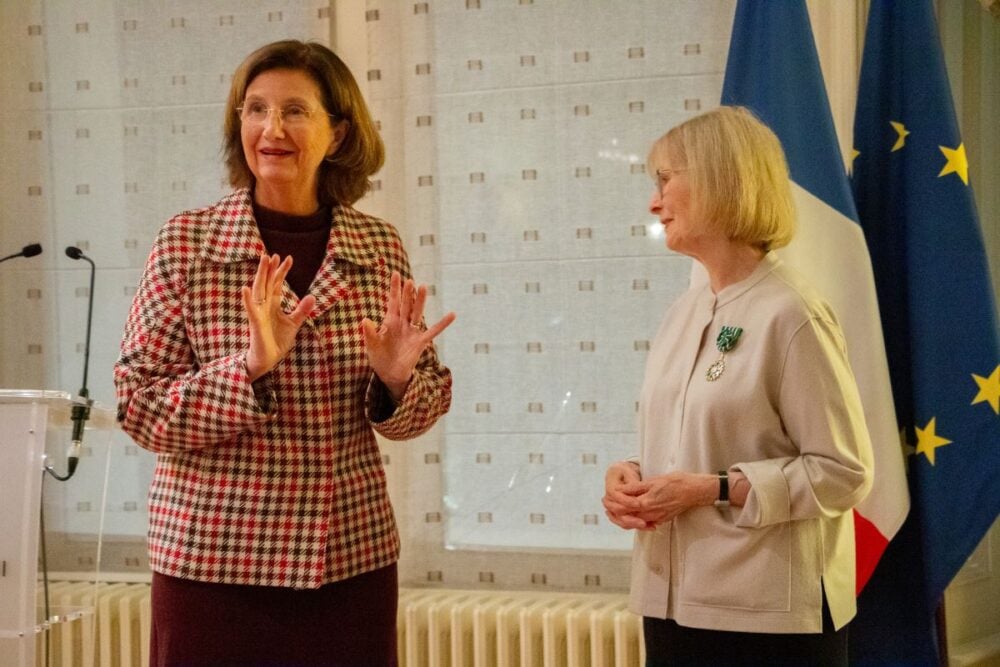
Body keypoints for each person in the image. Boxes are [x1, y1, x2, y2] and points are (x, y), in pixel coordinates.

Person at [114, 40, 454, 666]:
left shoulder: (377, 246)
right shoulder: (187, 243)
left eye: (295, 110)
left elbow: (420, 409)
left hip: (347, 562)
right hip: (212, 566)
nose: (271, 128)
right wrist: (247, 371)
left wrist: (396, 383)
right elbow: (139, 407)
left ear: (338, 130)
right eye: (255, 109)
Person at [602, 106, 874, 666]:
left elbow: (844, 473)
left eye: (665, 179)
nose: (654, 202)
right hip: (671, 605)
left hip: (766, 618)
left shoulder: (792, 313)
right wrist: (630, 475)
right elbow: (701, 439)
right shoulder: (684, 311)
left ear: (721, 179)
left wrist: (714, 489)